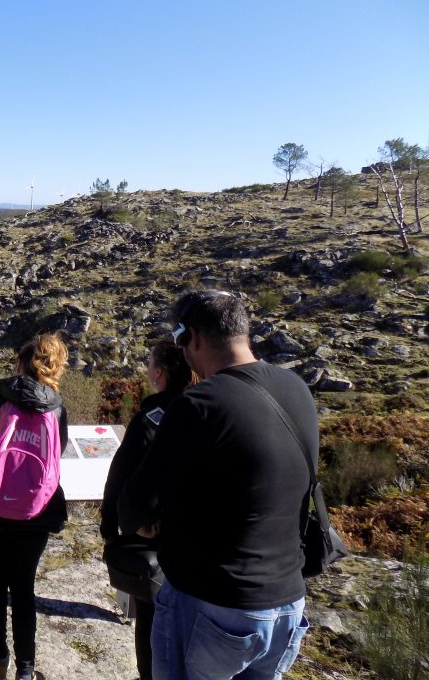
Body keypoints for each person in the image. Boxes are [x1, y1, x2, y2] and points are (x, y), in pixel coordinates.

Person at [119, 290, 315, 680]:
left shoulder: (198, 404)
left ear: (193, 337)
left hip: (212, 602)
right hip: (287, 604)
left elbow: (135, 506)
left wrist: (148, 523)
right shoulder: (297, 390)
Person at [0, 333, 69, 680]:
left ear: (20, 364)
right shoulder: (56, 406)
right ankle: (25, 669)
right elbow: (56, 454)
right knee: (23, 589)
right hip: (33, 515)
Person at [100, 340, 195, 680]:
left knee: (152, 620)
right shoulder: (207, 411)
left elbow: (120, 479)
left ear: (159, 372)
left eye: (150, 363)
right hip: (201, 545)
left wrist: (114, 530)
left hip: (156, 547)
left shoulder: (151, 419)